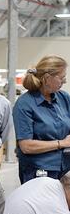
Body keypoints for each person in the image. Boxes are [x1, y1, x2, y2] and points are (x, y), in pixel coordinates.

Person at [13, 55, 70, 184]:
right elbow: (26, 146)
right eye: (62, 78)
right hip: (38, 171)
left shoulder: (64, 98)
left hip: (64, 167)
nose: (65, 81)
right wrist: (61, 143)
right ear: (47, 78)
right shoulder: (24, 104)